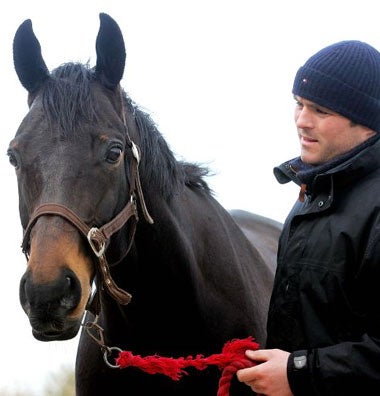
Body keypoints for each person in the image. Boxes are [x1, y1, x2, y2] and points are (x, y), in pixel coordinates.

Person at [237, 40, 380, 395]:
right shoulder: (311, 198)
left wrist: (298, 373)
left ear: (366, 122)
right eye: (299, 105)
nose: (302, 120)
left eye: (320, 110)